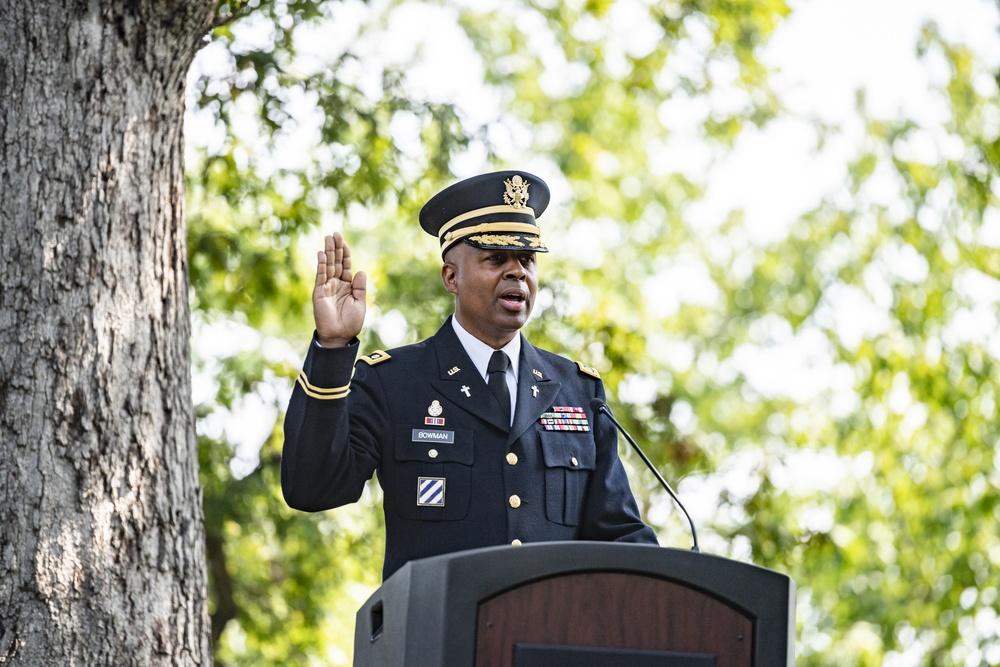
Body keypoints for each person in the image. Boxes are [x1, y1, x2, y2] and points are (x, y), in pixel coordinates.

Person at [281, 170, 658, 579]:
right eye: (496, 259)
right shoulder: (395, 382)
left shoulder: (579, 391)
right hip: (439, 636)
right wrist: (332, 348)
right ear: (451, 277)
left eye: (527, 260)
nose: (518, 273)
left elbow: (619, 535)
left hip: (548, 635)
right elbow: (312, 487)